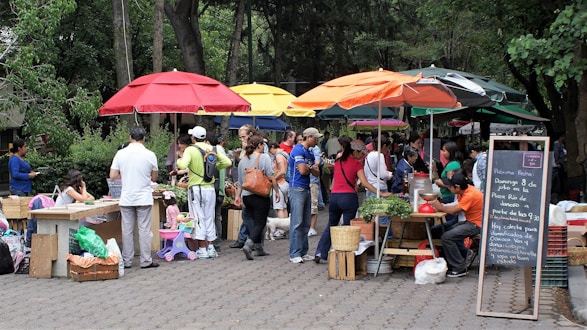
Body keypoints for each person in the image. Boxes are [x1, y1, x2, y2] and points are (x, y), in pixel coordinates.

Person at [314, 138, 391, 262]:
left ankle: (320, 252)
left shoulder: (338, 161)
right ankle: (344, 256)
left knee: (331, 225)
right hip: (348, 198)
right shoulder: (356, 164)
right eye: (361, 153)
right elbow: (365, 183)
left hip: (334, 197)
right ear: (355, 151)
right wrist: (381, 192)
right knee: (347, 228)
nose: (361, 156)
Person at [177, 126, 232, 259]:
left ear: (193, 137)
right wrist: (215, 167)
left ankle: (202, 248)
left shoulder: (191, 149)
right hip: (210, 187)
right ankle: (211, 247)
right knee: (210, 216)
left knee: (198, 217)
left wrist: (179, 158)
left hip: (196, 187)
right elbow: (227, 162)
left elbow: (183, 165)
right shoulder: (213, 148)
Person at [109, 126, 159, 269]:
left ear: (130, 137)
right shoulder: (150, 154)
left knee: (127, 230)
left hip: (127, 197)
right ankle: (146, 260)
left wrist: (124, 176)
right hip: (143, 197)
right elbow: (154, 177)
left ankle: (127, 260)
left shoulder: (120, 153)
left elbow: (112, 176)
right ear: (143, 138)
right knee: (144, 230)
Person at [429, 172, 483, 277]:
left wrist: (440, 207)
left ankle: (459, 267)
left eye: (450, 187)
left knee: (447, 237)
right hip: (470, 221)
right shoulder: (464, 191)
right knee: (442, 231)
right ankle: (463, 255)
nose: (448, 188)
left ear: (457, 187)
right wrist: (442, 206)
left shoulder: (470, 195)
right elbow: (456, 206)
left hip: (476, 225)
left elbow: (454, 210)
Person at [234, 135, 278, 260]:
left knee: (252, 221)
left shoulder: (243, 160)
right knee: (260, 223)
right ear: (259, 146)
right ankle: (249, 244)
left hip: (247, 196)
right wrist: (276, 191)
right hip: (260, 195)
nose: (264, 147)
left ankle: (259, 249)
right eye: (263, 145)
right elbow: (271, 176)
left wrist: (238, 196)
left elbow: (240, 181)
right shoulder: (264, 157)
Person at [288, 127, 322, 263]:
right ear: (308, 137)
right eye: (315, 138)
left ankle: (303, 251)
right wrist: (310, 168)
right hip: (297, 188)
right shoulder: (298, 150)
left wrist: (310, 168)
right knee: (297, 222)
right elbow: (302, 170)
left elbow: (317, 172)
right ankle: (294, 253)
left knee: (306, 222)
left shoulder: (309, 152)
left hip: (306, 188)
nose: (317, 141)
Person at [432, 140, 462, 233]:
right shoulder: (450, 163)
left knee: (451, 223)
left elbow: (450, 183)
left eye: (444, 151)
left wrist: (437, 181)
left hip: (449, 196)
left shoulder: (453, 164)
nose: (442, 153)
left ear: (451, 152)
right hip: (446, 196)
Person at [268, 141, 289, 218]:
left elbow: (282, 171)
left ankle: (281, 229)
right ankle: (286, 228)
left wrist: (273, 179)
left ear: (272, 147)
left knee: (279, 208)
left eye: (269, 150)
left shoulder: (278, 156)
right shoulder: (285, 154)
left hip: (279, 184)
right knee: (284, 207)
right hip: (285, 183)